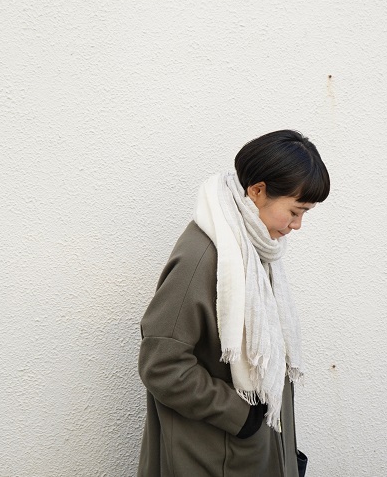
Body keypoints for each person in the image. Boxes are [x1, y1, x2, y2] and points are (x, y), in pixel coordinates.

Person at [137, 130, 330, 477]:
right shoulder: (204, 256)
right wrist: (242, 416)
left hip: (247, 454)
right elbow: (161, 365)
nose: (298, 225)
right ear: (257, 191)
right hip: (213, 458)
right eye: (295, 211)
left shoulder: (254, 250)